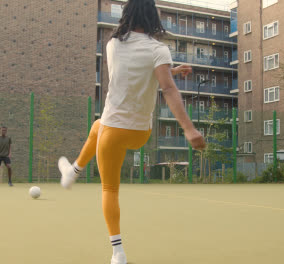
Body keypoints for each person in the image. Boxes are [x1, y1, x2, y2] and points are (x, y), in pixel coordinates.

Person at [58, 0, 206, 263]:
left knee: (109, 189)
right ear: (153, 17)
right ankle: (72, 172)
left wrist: (168, 72)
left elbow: (130, 70)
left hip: (113, 130)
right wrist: (189, 129)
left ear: (126, 15)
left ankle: (118, 253)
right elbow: (166, 87)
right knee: (96, 126)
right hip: (140, 132)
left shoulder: (112, 45)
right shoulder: (158, 50)